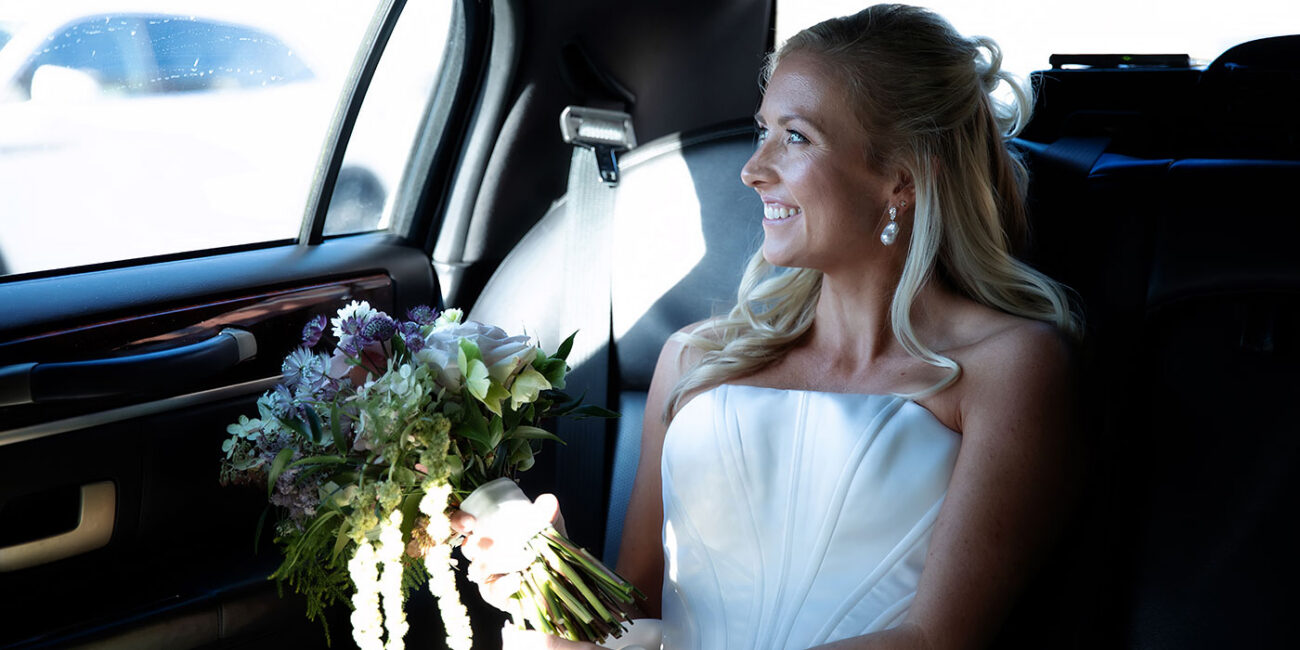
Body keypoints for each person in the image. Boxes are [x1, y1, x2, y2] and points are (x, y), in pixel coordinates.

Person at [453, 4, 1081, 648]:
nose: (753, 170)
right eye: (762, 133)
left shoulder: (1009, 366)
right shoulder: (694, 357)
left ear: (902, 176)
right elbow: (634, 618)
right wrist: (553, 576)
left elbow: (938, 638)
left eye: (797, 136)